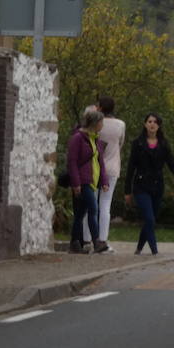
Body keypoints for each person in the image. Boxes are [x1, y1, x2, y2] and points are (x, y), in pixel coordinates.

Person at [124, 113, 174, 255]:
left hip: (157, 186)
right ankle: (155, 252)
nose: (152, 124)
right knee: (149, 219)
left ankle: (139, 248)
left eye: (155, 122)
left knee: (150, 221)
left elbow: (172, 163)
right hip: (141, 186)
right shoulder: (138, 143)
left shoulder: (163, 144)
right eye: (149, 121)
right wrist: (127, 191)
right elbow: (130, 168)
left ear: (159, 125)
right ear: (145, 124)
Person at [85, 95, 125, 253]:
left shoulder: (95, 124)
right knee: (105, 205)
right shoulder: (120, 124)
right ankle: (103, 239)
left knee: (91, 203)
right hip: (112, 167)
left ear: (99, 108)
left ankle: (87, 238)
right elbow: (120, 143)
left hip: (94, 167)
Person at [66, 105, 108, 254]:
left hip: (92, 180)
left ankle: (74, 243)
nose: (103, 125)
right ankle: (97, 241)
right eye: (101, 122)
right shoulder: (78, 138)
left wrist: (104, 181)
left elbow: (99, 161)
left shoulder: (95, 139)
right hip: (83, 181)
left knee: (80, 213)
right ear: (95, 123)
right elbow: (72, 161)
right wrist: (76, 183)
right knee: (93, 209)